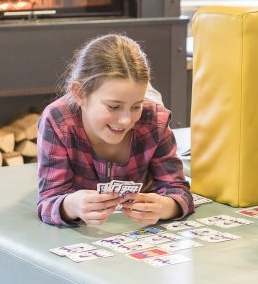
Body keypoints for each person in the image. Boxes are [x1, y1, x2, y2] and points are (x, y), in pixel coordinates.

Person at [36, 33, 193, 227]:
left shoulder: (154, 120)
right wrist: (71, 206)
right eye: (113, 106)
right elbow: (48, 201)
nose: (126, 120)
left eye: (136, 106)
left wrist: (165, 206)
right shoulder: (58, 121)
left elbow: (179, 192)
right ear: (79, 93)